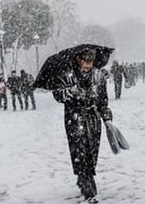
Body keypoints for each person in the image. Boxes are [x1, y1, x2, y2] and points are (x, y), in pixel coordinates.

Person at [52, 48, 113, 202]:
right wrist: (70, 92)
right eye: (85, 61)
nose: (88, 65)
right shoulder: (67, 75)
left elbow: (103, 101)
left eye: (90, 61)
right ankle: (89, 187)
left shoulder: (99, 76)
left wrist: (107, 118)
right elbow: (57, 94)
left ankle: (83, 176)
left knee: (92, 153)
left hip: (93, 119)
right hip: (75, 119)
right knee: (80, 152)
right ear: (78, 60)